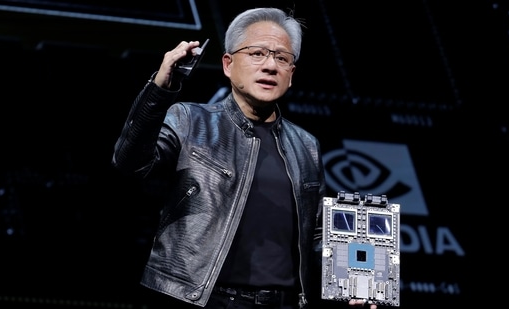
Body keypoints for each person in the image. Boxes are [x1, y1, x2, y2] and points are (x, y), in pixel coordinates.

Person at [111, 7, 376, 309]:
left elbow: (315, 234)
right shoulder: (189, 120)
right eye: (257, 53)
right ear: (228, 64)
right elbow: (129, 163)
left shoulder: (307, 145)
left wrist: (354, 281)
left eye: (281, 58)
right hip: (197, 299)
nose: (270, 66)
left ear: (291, 73)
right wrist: (160, 89)